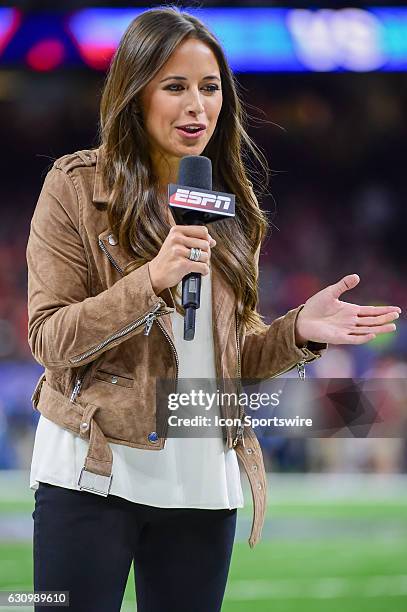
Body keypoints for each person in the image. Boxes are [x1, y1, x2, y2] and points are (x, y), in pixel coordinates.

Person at [26, 7, 401, 612]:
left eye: (209, 87)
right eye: (175, 87)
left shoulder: (231, 204)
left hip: (202, 472)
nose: (196, 105)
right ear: (134, 94)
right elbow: (49, 339)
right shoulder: (74, 187)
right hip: (92, 469)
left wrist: (298, 329)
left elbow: (235, 357)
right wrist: (149, 280)